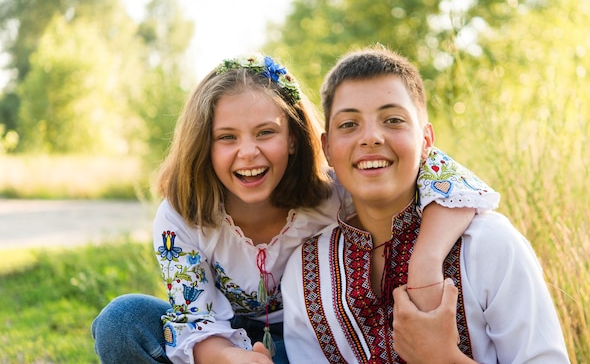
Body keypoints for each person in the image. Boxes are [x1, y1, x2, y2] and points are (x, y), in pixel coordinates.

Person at [91, 53, 499, 364]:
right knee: (122, 321)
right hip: (221, 342)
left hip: (314, 344)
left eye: (266, 132)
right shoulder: (182, 214)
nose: (247, 153)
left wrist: (425, 261)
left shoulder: (332, 191)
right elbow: (193, 315)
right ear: (205, 145)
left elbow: (453, 180)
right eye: (227, 137)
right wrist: (230, 358)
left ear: (293, 138)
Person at [282, 46, 570, 363]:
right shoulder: (305, 269)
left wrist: (443, 358)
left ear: (426, 141)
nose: (371, 137)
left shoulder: (488, 245)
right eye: (349, 124)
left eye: (393, 120)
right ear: (328, 148)